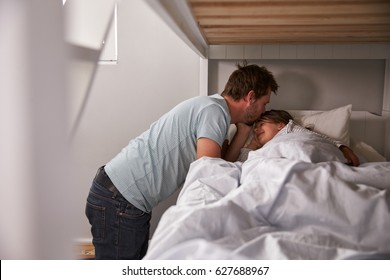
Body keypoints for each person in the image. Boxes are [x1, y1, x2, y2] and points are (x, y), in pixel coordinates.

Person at [85, 63, 279, 259]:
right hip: (120, 200)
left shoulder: (212, 108)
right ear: (250, 97)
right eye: (265, 103)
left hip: (123, 198)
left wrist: (243, 131)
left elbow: (217, 165)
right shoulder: (214, 112)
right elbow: (208, 171)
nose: (264, 110)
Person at [225, 109, 360, 166]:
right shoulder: (265, 148)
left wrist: (342, 147)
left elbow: (321, 140)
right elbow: (243, 163)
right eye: (255, 127)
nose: (256, 129)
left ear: (280, 124)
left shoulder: (291, 129)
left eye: (261, 124)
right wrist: (253, 144)